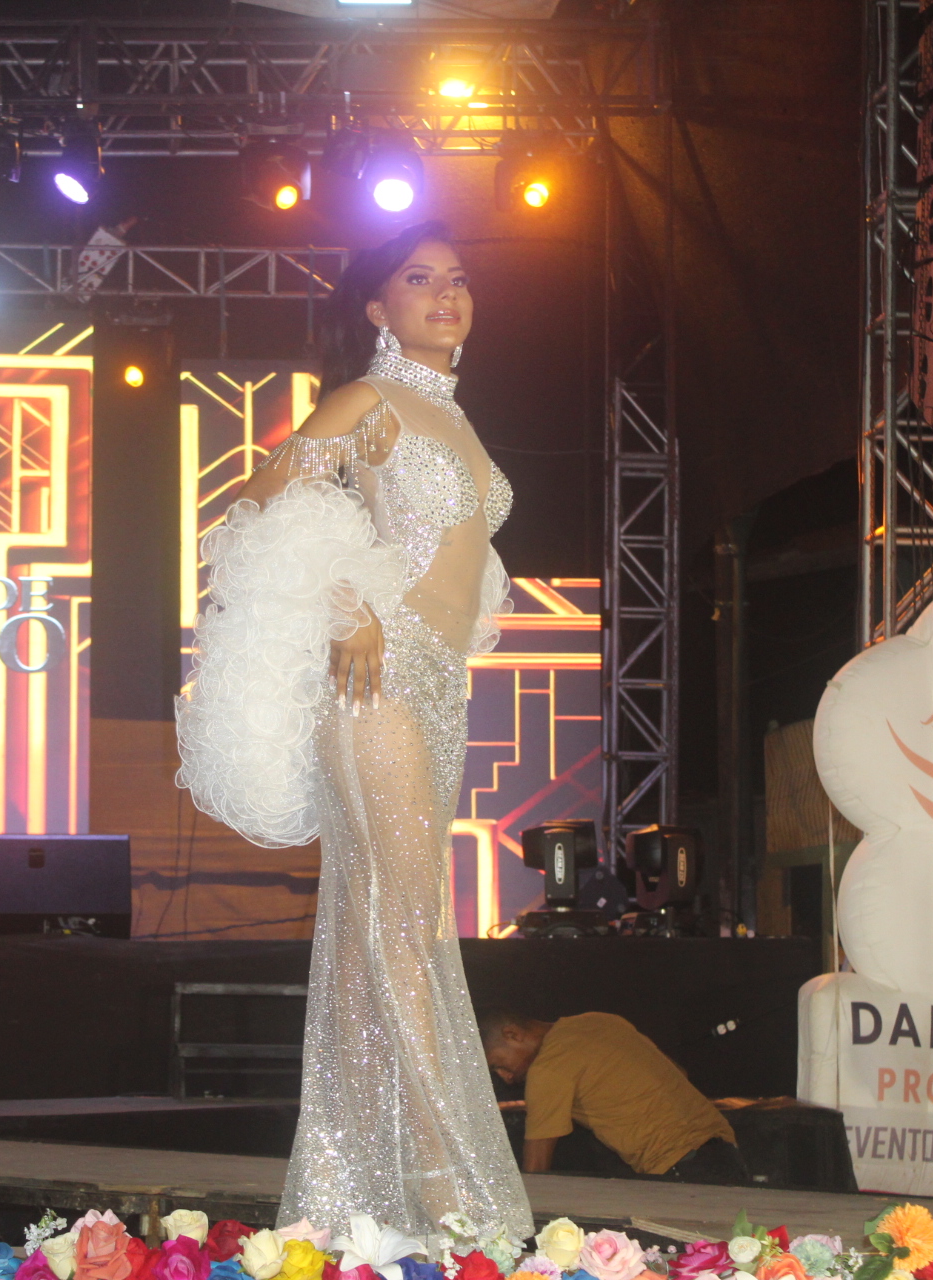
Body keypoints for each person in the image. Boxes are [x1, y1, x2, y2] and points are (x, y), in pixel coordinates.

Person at [175, 221, 530, 1239]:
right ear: (377, 306)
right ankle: (446, 1186)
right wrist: (343, 600)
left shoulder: (450, 415)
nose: (447, 294)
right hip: (376, 675)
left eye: (459, 278)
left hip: (437, 682)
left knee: (377, 924)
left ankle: (355, 1196)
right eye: (419, 278)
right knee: (405, 923)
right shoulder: (366, 399)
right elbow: (252, 505)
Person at [478, 1009, 748, 1184]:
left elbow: (537, 1171)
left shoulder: (547, 1069)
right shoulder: (600, 1021)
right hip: (726, 1152)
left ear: (512, 1035)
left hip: (681, 1170)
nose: (505, 1077)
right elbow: (678, 1072)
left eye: (498, 1065)